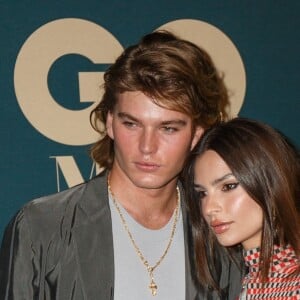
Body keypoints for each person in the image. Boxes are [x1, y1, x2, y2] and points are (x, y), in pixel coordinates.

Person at [0, 30, 242, 299]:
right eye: (132, 123)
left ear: (196, 135)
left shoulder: (219, 231)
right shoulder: (41, 227)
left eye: (168, 128)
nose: (147, 146)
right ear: (110, 123)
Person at [183, 117, 300, 299]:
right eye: (202, 193)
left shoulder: (293, 286)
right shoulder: (250, 282)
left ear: (268, 182)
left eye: (228, 186)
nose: (209, 208)